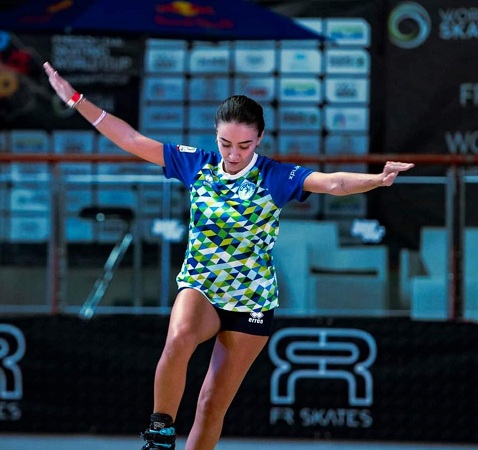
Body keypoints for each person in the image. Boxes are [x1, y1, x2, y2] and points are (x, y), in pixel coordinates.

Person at [43, 61, 414, 450]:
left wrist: (377, 179)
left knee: (211, 405)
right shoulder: (196, 163)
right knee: (180, 336)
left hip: (251, 301)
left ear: (260, 139)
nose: (234, 154)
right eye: (226, 144)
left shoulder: (275, 176)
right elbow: (132, 139)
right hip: (202, 285)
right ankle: (160, 433)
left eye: (244, 145)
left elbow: (334, 182)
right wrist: (76, 99)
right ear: (215, 136)